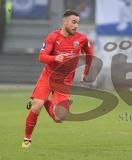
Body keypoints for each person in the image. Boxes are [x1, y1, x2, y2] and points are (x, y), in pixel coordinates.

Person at [22, 9, 93, 148]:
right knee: (36, 107)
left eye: (78, 23)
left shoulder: (82, 39)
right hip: (48, 77)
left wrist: (86, 72)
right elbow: (41, 57)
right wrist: (55, 58)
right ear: (64, 21)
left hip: (64, 82)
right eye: (73, 22)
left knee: (60, 118)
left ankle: (45, 102)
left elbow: (90, 55)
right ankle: (27, 139)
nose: (76, 25)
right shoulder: (52, 37)